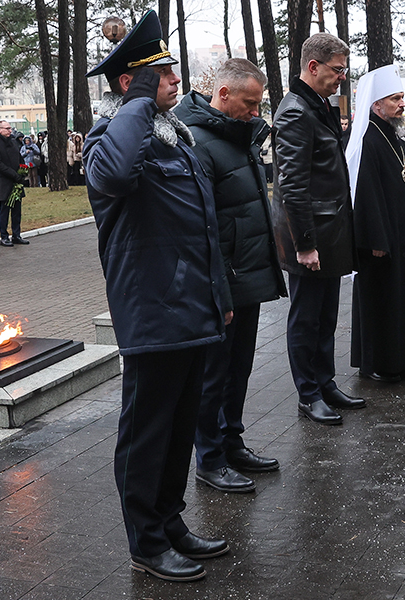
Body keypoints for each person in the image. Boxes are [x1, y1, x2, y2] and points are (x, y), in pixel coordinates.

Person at [83, 10, 232, 583]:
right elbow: (116, 176)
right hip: (151, 311)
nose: (175, 79)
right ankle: (145, 540)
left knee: (178, 426)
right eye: (161, 73)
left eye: (170, 70)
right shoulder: (111, 138)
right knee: (147, 430)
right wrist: (138, 104)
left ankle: (170, 523)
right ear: (131, 83)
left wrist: (219, 294)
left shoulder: (178, 138)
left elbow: (203, 228)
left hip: (193, 308)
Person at [174, 58, 288, 493]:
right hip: (222, 279)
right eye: (250, 103)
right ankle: (210, 458)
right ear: (223, 95)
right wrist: (217, 291)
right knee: (213, 376)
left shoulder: (236, 133)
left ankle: (231, 441)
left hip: (246, 273)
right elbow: (201, 227)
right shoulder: (199, 143)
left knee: (237, 369)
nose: (256, 112)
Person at [271, 33, 365, 426]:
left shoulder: (318, 105)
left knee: (326, 315)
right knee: (306, 317)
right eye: (338, 69)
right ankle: (308, 394)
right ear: (313, 67)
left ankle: (324, 381)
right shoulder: (295, 111)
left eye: (344, 70)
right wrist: (304, 245)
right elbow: (292, 185)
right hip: (309, 236)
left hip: (327, 231)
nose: (342, 77)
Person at [345, 64, 405, 382]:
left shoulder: (395, 138)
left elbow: (402, 176)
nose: (403, 103)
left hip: (402, 240)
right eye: (395, 98)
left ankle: (404, 358)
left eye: (402, 97)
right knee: (382, 302)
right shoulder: (366, 141)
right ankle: (380, 362)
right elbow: (365, 192)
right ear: (376, 105)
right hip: (381, 242)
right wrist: (375, 239)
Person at [0, 121, 29, 248]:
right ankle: (4, 236)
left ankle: (16, 235)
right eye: (6, 128)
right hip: (4, 181)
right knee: (4, 210)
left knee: (17, 210)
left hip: (16, 181)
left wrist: (23, 170)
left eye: (10, 128)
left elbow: (19, 158)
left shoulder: (13, 142)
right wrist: (14, 174)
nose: (9, 131)